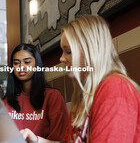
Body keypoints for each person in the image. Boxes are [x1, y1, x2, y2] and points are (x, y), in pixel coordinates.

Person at [21, 15, 140, 143]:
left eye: (68, 51)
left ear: (90, 51)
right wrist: (37, 140)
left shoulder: (116, 89)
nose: (61, 58)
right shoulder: (84, 96)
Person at [3, 43, 68, 141]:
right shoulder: (7, 100)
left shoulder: (53, 97)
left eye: (27, 62)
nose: (21, 67)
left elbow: (60, 140)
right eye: (16, 63)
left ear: (37, 64)